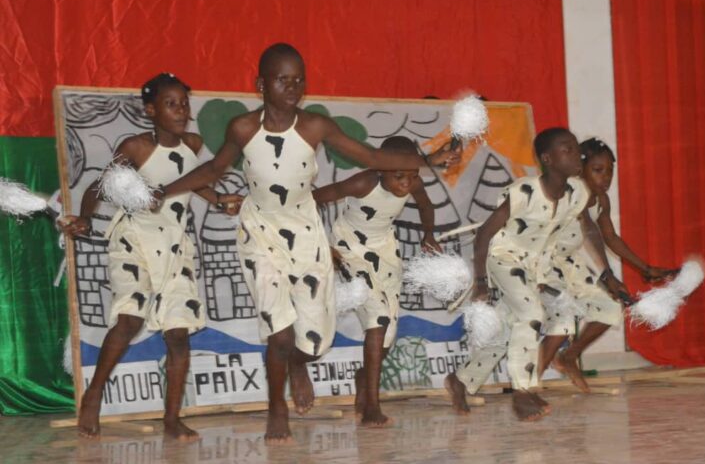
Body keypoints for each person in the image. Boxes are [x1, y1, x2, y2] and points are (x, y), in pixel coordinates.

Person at [157, 43, 461, 443]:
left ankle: (299, 364)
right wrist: (164, 191)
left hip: (306, 234)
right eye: (283, 79)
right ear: (260, 84)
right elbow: (215, 168)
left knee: (315, 341)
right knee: (279, 332)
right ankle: (276, 408)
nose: (292, 87)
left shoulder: (315, 126)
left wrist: (430, 162)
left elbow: (370, 154)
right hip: (260, 232)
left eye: (299, 79)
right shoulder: (244, 128)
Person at [60, 73, 241, 440]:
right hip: (134, 241)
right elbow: (100, 185)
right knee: (129, 320)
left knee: (178, 333)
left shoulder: (193, 142)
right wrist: (84, 217)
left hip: (175, 244)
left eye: (184, 104)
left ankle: (172, 418)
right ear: (150, 109)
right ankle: (93, 394)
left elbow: (195, 178)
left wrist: (216, 199)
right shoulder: (136, 147)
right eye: (171, 104)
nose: (181, 111)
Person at [444, 127, 627, 421]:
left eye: (574, 147)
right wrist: (480, 281)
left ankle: (461, 380)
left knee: (511, 329)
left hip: (537, 265)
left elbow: (589, 227)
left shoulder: (578, 192)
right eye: (566, 149)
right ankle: (523, 391)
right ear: (547, 158)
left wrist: (607, 275)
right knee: (531, 315)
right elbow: (484, 235)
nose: (575, 153)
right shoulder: (524, 192)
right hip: (503, 259)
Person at [313, 136, 442, 427]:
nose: (406, 184)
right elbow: (313, 200)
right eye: (399, 175)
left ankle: (364, 377)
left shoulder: (413, 183)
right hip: (349, 248)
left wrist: (428, 234)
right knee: (379, 317)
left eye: (412, 175)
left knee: (389, 329)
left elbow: (426, 206)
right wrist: (323, 244)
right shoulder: (363, 183)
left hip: (384, 249)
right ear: (381, 167)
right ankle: (372, 403)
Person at [538, 137, 678, 392]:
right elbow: (590, 233)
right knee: (564, 317)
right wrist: (607, 275)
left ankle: (568, 357)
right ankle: (529, 384)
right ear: (580, 170)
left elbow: (610, 237)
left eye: (610, 170)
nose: (606, 177)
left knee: (609, 308)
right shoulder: (572, 191)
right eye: (598, 170)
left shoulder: (601, 200)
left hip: (569, 261)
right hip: (544, 260)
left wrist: (644, 268)